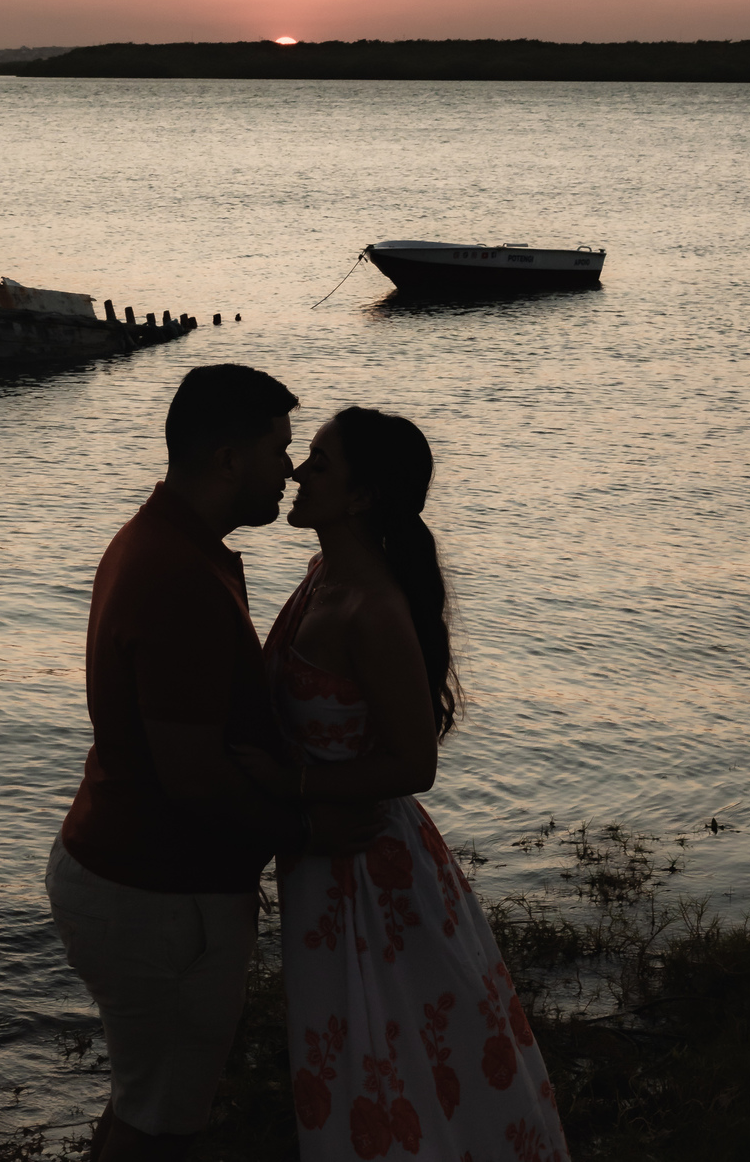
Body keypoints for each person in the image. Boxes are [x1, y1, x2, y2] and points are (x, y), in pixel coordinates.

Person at [46, 365, 380, 1162]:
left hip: (137, 877)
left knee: (148, 1103)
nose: (291, 469)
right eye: (279, 449)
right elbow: (191, 775)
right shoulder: (176, 576)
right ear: (229, 459)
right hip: (158, 894)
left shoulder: (174, 545)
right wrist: (310, 827)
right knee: (162, 1127)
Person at [236, 406, 570, 1162]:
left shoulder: (373, 609)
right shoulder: (321, 576)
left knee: (389, 1061)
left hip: (369, 871)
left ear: (360, 497)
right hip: (326, 862)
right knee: (354, 1054)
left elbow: (415, 764)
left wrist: (290, 785)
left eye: (318, 462)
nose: (297, 472)